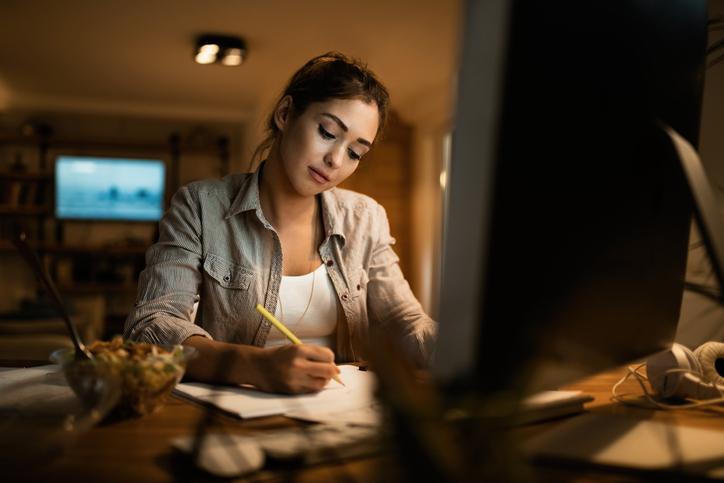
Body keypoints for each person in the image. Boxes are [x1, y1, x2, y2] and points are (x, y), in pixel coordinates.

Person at [124, 52, 435, 394]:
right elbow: (150, 328)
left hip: (340, 415)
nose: (335, 160)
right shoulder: (200, 206)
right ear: (285, 114)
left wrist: (458, 348)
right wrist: (255, 366)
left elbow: (404, 322)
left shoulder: (365, 218)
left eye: (355, 153)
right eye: (328, 132)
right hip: (231, 416)